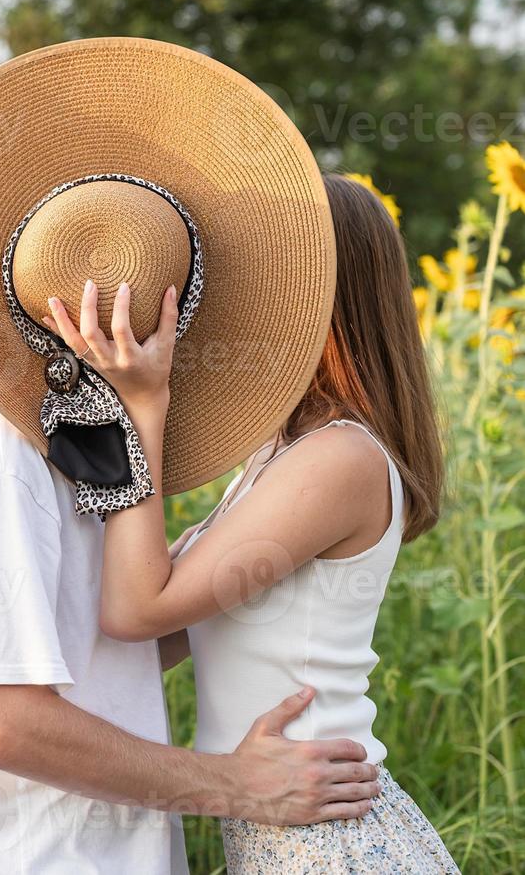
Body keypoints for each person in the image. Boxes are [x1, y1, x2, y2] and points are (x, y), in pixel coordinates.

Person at [0, 37, 380, 872]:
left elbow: (92, 645)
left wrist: (212, 569)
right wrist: (233, 785)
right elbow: (3, 722)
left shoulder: (79, 427)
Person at [40, 173, 458, 872]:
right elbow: (156, 632)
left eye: (264, 284)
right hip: (287, 830)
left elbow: (137, 608)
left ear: (318, 302)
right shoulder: (278, 455)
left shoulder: (339, 460)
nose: (232, 305)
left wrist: (140, 407)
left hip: (330, 846)